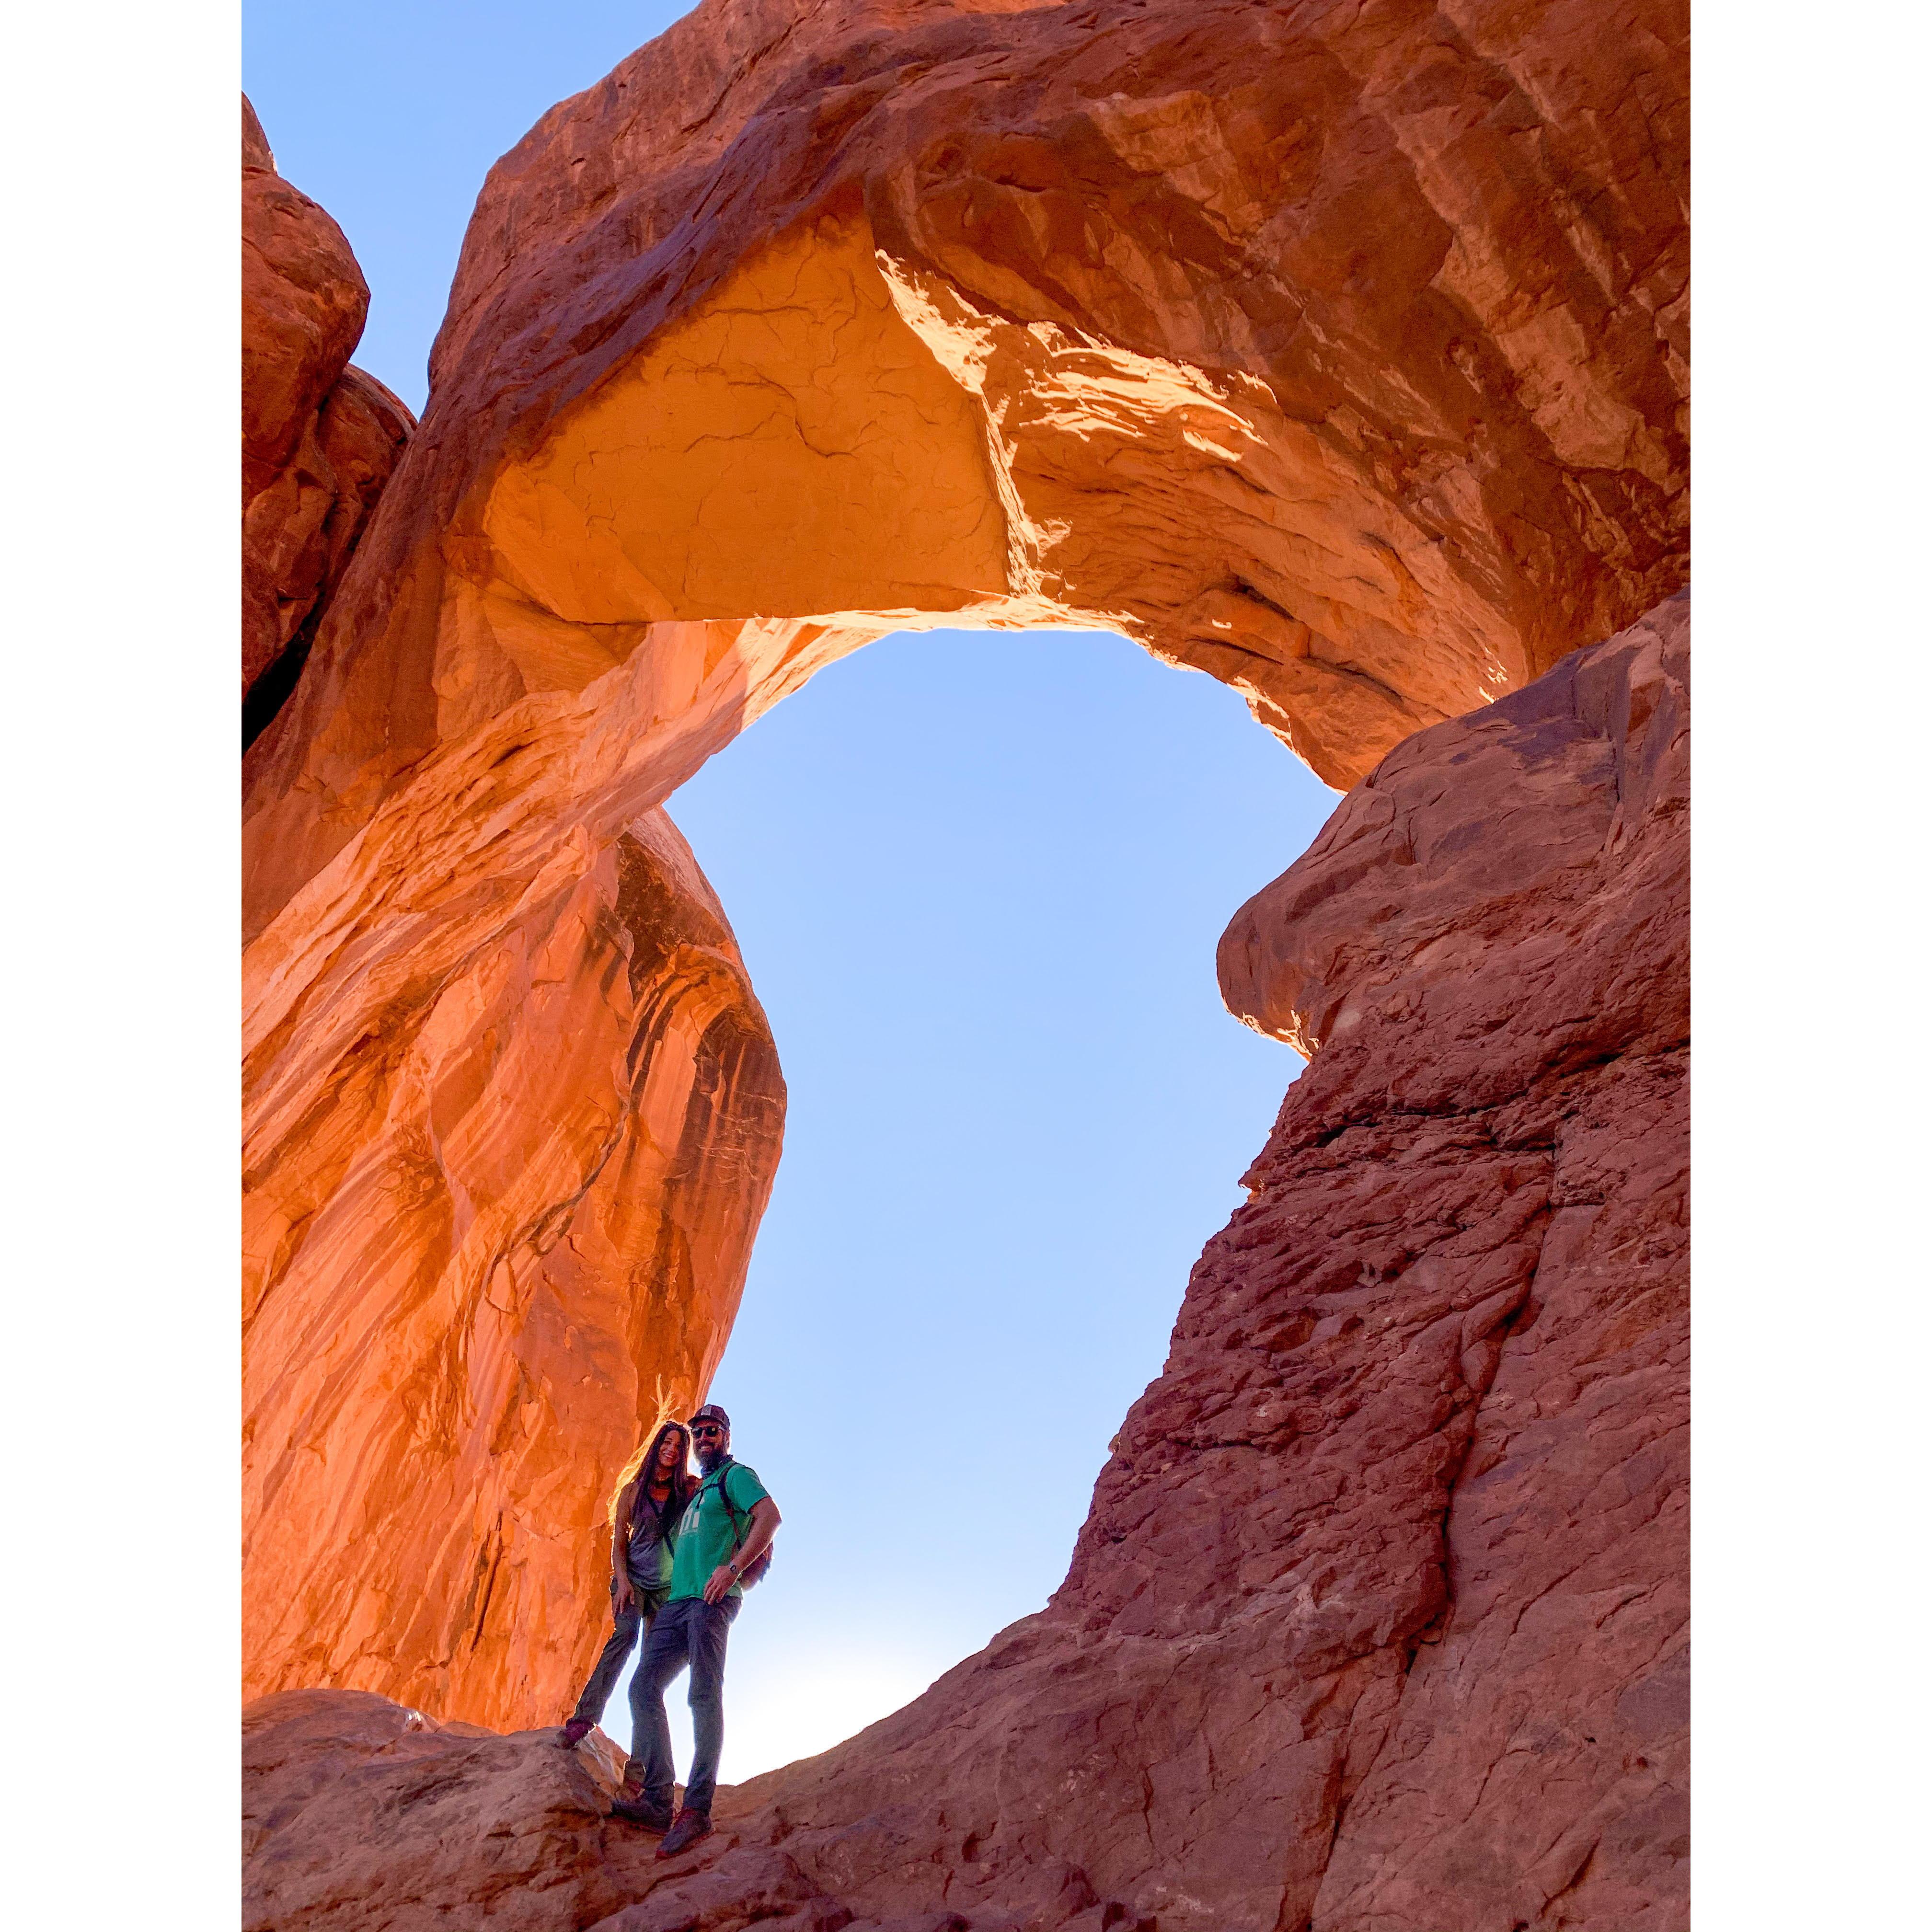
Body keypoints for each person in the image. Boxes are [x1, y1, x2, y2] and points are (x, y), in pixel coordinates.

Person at [611, 1403, 781, 1855]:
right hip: (676, 1604)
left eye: (712, 1432)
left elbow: (770, 1518)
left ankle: (698, 1810)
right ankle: (657, 1801)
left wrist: (732, 1568)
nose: (704, 1439)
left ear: (725, 1436)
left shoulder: (735, 1477)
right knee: (643, 1688)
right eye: (698, 1433)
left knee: (703, 1694)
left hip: (711, 1603)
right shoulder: (699, 1489)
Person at [557, 1420, 697, 1760]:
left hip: (667, 1591)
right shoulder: (633, 1492)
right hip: (633, 1582)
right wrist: (622, 1582)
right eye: (667, 1442)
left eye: (680, 1446)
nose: (672, 1450)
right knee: (625, 1637)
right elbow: (619, 1542)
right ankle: (584, 1720)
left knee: (649, 1676)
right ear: (657, 1445)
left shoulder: (688, 1491)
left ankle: (639, 1770)